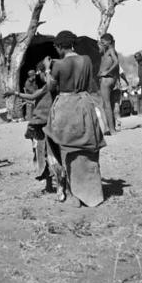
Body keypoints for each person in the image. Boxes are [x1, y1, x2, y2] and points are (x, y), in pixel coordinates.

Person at [44, 30, 106, 206]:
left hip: (66, 106)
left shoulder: (58, 64)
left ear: (59, 46)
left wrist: (48, 68)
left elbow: (50, 87)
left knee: (67, 148)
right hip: (85, 103)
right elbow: (88, 83)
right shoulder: (86, 60)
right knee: (88, 147)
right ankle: (92, 191)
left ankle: (73, 194)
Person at [3, 61, 59, 193]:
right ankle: (51, 185)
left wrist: (15, 94)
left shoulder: (48, 86)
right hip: (50, 124)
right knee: (50, 153)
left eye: (38, 73)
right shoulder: (52, 86)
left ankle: (52, 184)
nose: (37, 76)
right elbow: (34, 97)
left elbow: (33, 96)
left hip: (42, 125)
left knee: (43, 153)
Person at [97, 33, 120, 134]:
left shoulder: (110, 50)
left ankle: (111, 129)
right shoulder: (107, 51)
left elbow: (116, 62)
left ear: (109, 42)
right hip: (109, 79)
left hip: (106, 79)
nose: (101, 44)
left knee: (106, 105)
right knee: (109, 104)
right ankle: (111, 128)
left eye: (103, 42)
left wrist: (107, 72)